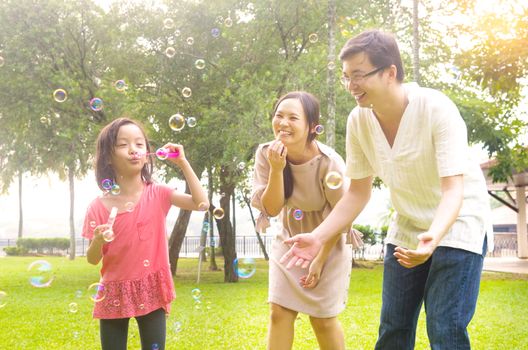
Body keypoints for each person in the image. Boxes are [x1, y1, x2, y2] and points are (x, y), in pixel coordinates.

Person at [280, 30, 493, 350]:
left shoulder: (437, 109)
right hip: (408, 223)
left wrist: (433, 239)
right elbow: (357, 193)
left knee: (445, 325)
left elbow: (453, 191)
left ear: (390, 72)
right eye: (346, 77)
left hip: (458, 221)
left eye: (359, 75)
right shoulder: (359, 121)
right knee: (393, 326)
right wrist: (319, 236)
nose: (351, 85)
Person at [82, 117, 209, 350]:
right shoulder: (98, 207)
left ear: (147, 153)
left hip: (151, 286)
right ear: (108, 157)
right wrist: (99, 239)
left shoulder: (158, 193)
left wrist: (183, 162)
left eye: (140, 144)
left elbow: (202, 203)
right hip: (113, 289)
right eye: (123, 145)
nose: (133, 150)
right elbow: (92, 259)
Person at [251, 91, 353, 350]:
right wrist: (276, 168)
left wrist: (319, 261)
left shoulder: (329, 162)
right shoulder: (266, 154)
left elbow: (341, 213)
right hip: (290, 240)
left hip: (328, 239)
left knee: (323, 320)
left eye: (293, 118)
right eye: (279, 116)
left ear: (310, 127)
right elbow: (272, 209)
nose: (283, 123)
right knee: (279, 312)